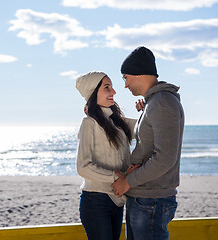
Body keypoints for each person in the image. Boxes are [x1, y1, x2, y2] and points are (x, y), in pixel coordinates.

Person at [112, 46, 185, 240]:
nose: (125, 85)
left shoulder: (162, 102)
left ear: (138, 74)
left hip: (151, 200)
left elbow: (164, 158)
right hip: (145, 197)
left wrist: (128, 181)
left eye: (125, 77)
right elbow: (149, 142)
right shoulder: (155, 103)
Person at [75, 71, 139, 240]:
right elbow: (83, 167)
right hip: (95, 201)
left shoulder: (118, 121)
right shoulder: (89, 123)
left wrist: (148, 108)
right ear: (93, 92)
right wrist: (115, 177)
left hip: (117, 201)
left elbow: (144, 128)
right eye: (107, 88)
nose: (113, 92)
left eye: (112, 87)